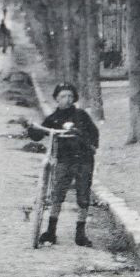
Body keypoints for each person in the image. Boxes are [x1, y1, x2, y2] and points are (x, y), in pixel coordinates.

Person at [39, 83, 100, 247]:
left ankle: (80, 234)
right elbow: (40, 132)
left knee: (83, 194)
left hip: (83, 159)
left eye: (70, 96)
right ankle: (51, 231)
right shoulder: (53, 118)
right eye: (63, 97)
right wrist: (30, 128)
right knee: (57, 193)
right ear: (56, 99)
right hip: (64, 160)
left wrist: (89, 142)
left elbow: (94, 133)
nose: (67, 100)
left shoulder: (81, 115)